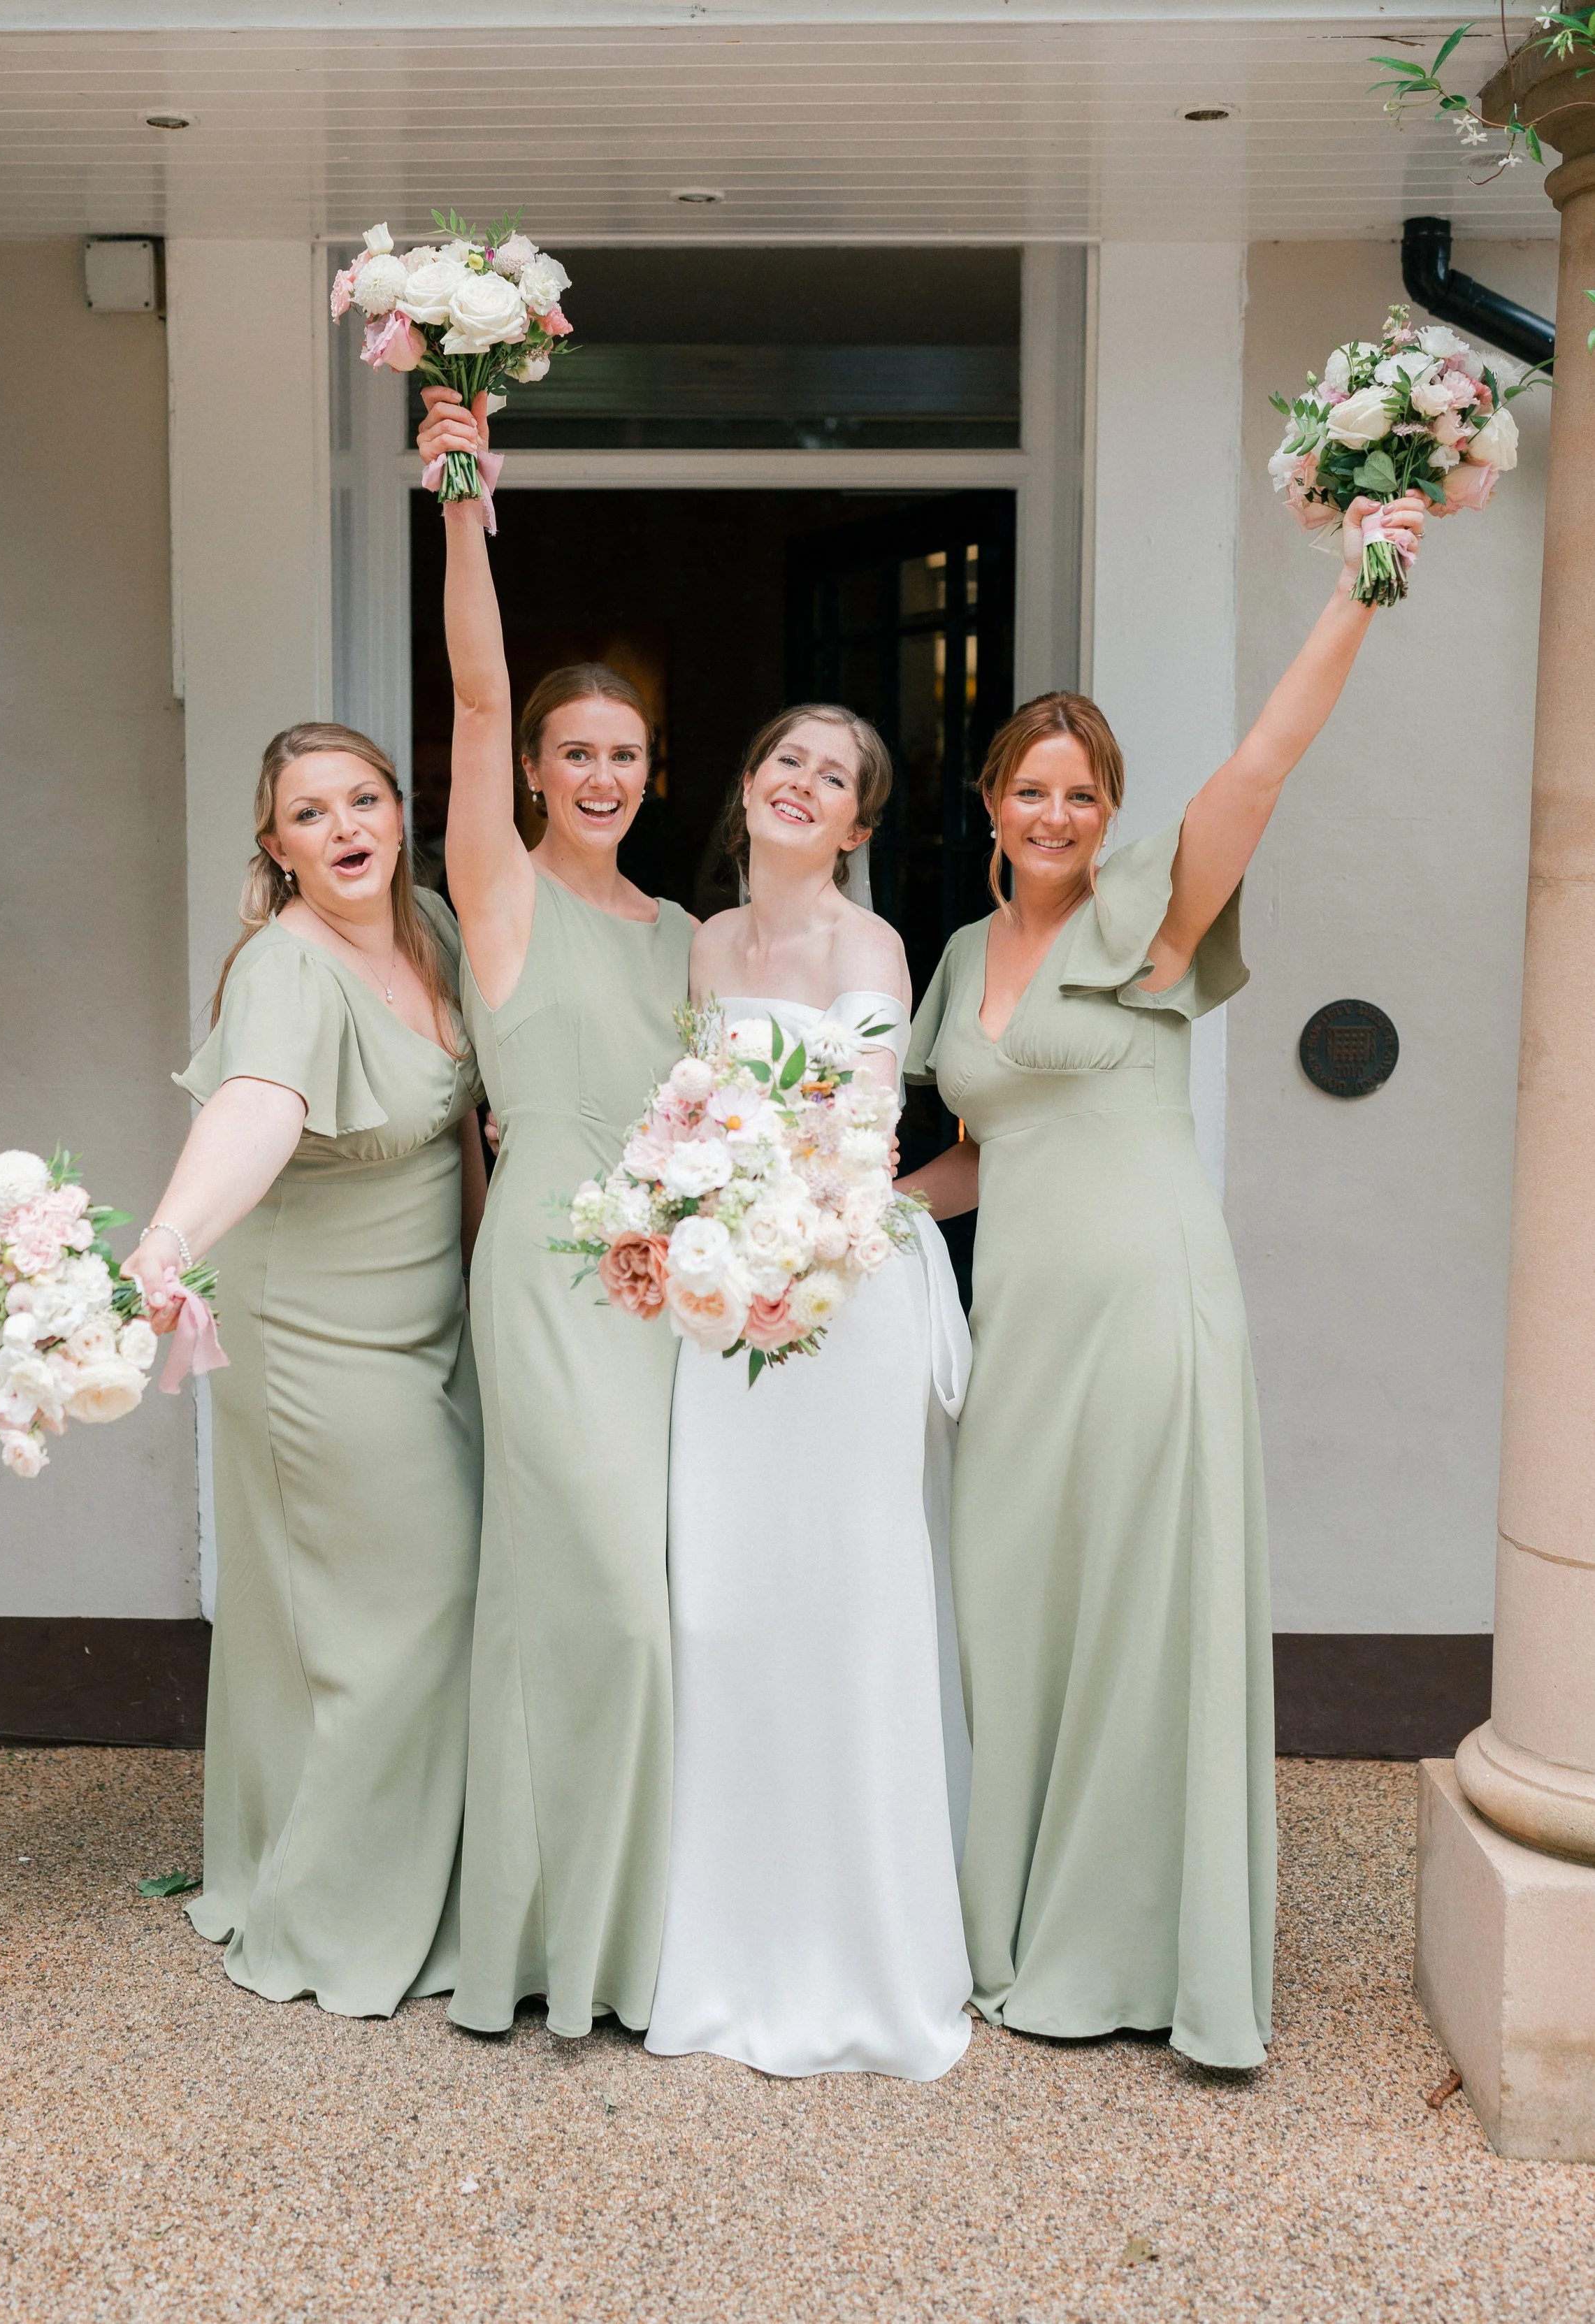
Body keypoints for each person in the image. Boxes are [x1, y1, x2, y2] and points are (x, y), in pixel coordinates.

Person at [900, 491, 1430, 2071]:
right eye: (1030, 791)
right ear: (987, 802)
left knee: (1136, 1617)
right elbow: (980, 1159)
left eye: (1082, 793)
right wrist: (839, 1215)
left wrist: (1358, 584)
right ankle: (1012, 1913)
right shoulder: (946, 961)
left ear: (1106, 809)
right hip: (1023, 1327)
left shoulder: (1145, 912)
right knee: (1015, 1611)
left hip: (1144, 1310)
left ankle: (1128, 1950)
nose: (1055, 815)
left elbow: (1259, 765)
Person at [123, 722, 487, 2016]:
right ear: (274, 848)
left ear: (400, 811)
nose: (344, 828)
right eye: (310, 813)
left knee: (337, 1617)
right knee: (413, 1605)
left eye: (364, 799)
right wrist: (166, 1239)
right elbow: (261, 1106)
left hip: (432, 1318)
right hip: (316, 1332)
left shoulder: (435, 926)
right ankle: (337, 1919)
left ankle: (355, 1870)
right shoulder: (286, 966)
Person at [643, 705, 974, 2082]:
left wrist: (786, 1230)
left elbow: (862, 1133)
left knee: (843, 1601)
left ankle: (864, 1949)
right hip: (722, 1303)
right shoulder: (700, 945)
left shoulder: (869, 946)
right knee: (717, 1601)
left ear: (855, 825)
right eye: (784, 758)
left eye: (832, 777)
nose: (800, 783)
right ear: (747, 782)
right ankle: (716, 1942)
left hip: (837, 1297)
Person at [420, 386, 695, 2040]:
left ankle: (627, 1935)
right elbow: (464, 687)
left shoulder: (681, 931)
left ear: (653, 778)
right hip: (540, 1267)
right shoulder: (499, 892)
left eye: (623, 756)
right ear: (530, 769)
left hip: (662, 1287)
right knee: (593, 1598)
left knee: (644, 1597)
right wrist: (465, 500)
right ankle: (541, 1938)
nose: (598, 773)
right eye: (571, 751)